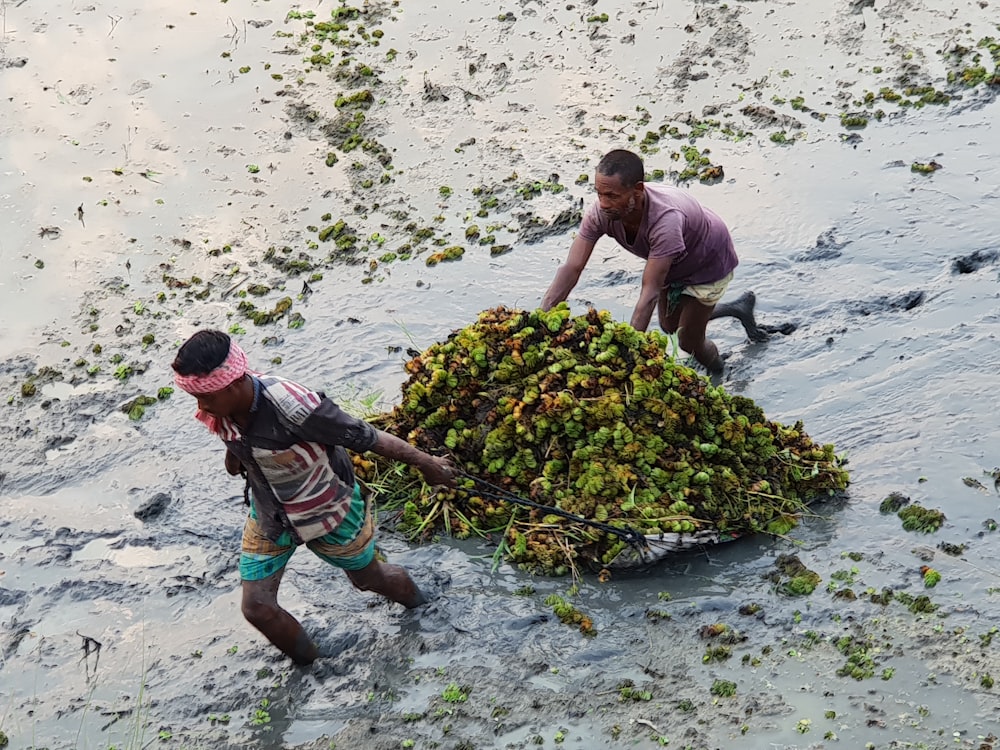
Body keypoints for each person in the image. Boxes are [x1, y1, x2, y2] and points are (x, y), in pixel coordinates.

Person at [171, 330, 457, 666]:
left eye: (206, 398)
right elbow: (233, 442)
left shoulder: (296, 407)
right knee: (257, 608)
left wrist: (428, 464)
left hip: (326, 507)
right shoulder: (220, 408)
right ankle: (311, 667)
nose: (201, 407)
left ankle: (426, 610)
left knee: (369, 580)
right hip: (270, 515)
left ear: (234, 384)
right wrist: (235, 458)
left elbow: (366, 437)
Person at [541, 149, 763, 373]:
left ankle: (719, 373)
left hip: (708, 260)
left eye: (612, 196)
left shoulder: (665, 221)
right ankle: (737, 309)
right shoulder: (601, 213)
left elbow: (650, 292)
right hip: (673, 263)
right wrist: (543, 318)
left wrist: (628, 354)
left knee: (688, 341)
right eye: (599, 194)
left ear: (637, 190)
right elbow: (572, 267)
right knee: (668, 326)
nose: (604, 203)